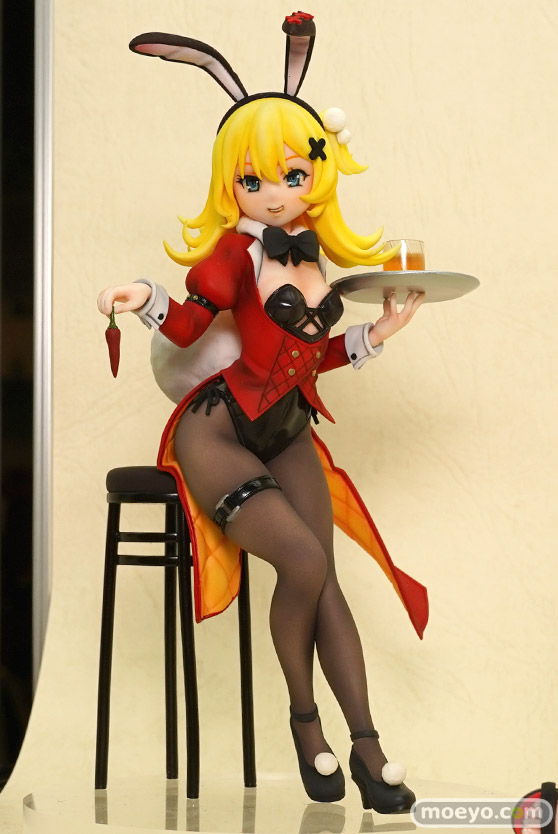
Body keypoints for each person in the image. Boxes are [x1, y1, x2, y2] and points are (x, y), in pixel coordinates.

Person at [97, 13, 427, 812]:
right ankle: (305, 726)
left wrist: (377, 335)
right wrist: (145, 298)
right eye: (253, 181)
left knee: (328, 578)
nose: (274, 194)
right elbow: (187, 327)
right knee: (303, 562)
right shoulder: (234, 256)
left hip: (286, 428)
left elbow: (313, 359)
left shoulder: (315, 260)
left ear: (317, 174)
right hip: (219, 431)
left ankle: (368, 748)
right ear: (232, 185)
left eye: (290, 174)